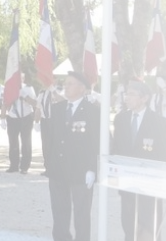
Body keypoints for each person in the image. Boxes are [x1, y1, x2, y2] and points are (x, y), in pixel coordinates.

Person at [111, 80, 166, 241]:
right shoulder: (121, 119)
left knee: (148, 231)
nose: (127, 98)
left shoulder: (161, 124)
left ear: (144, 98)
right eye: (126, 94)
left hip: (149, 186)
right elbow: (116, 149)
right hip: (127, 183)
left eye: (131, 94)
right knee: (128, 226)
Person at [45, 71, 100, 241]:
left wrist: (92, 168)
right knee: (59, 211)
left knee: (81, 213)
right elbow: (50, 139)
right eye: (66, 84)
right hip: (58, 169)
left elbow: (96, 142)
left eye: (70, 84)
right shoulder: (58, 108)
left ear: (82, 88)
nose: (66, 87)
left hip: (81, 170)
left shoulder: (92, 111)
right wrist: (49, 163)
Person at [1, 72, 37, 174]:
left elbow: (34, 103)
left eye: (20, 78)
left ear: (23, 79)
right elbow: (5, 103)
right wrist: (3, 118)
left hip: (26, 116)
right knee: (13, 142)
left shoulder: (28, 88)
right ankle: (13, 165)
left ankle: (25, 166)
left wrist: (25, 96)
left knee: (26, 142)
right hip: (13, 117)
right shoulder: (9, 88)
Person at [35, 81, 64, 176]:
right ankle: (47, 167)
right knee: (45, 145)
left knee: (55, 145)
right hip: (45, 121)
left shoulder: (60, 90)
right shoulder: (42, 93)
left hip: (55, 121)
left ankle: (56, 168)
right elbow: (38, 108)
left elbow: (63, 101)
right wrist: (36, 122)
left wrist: (54, 91)